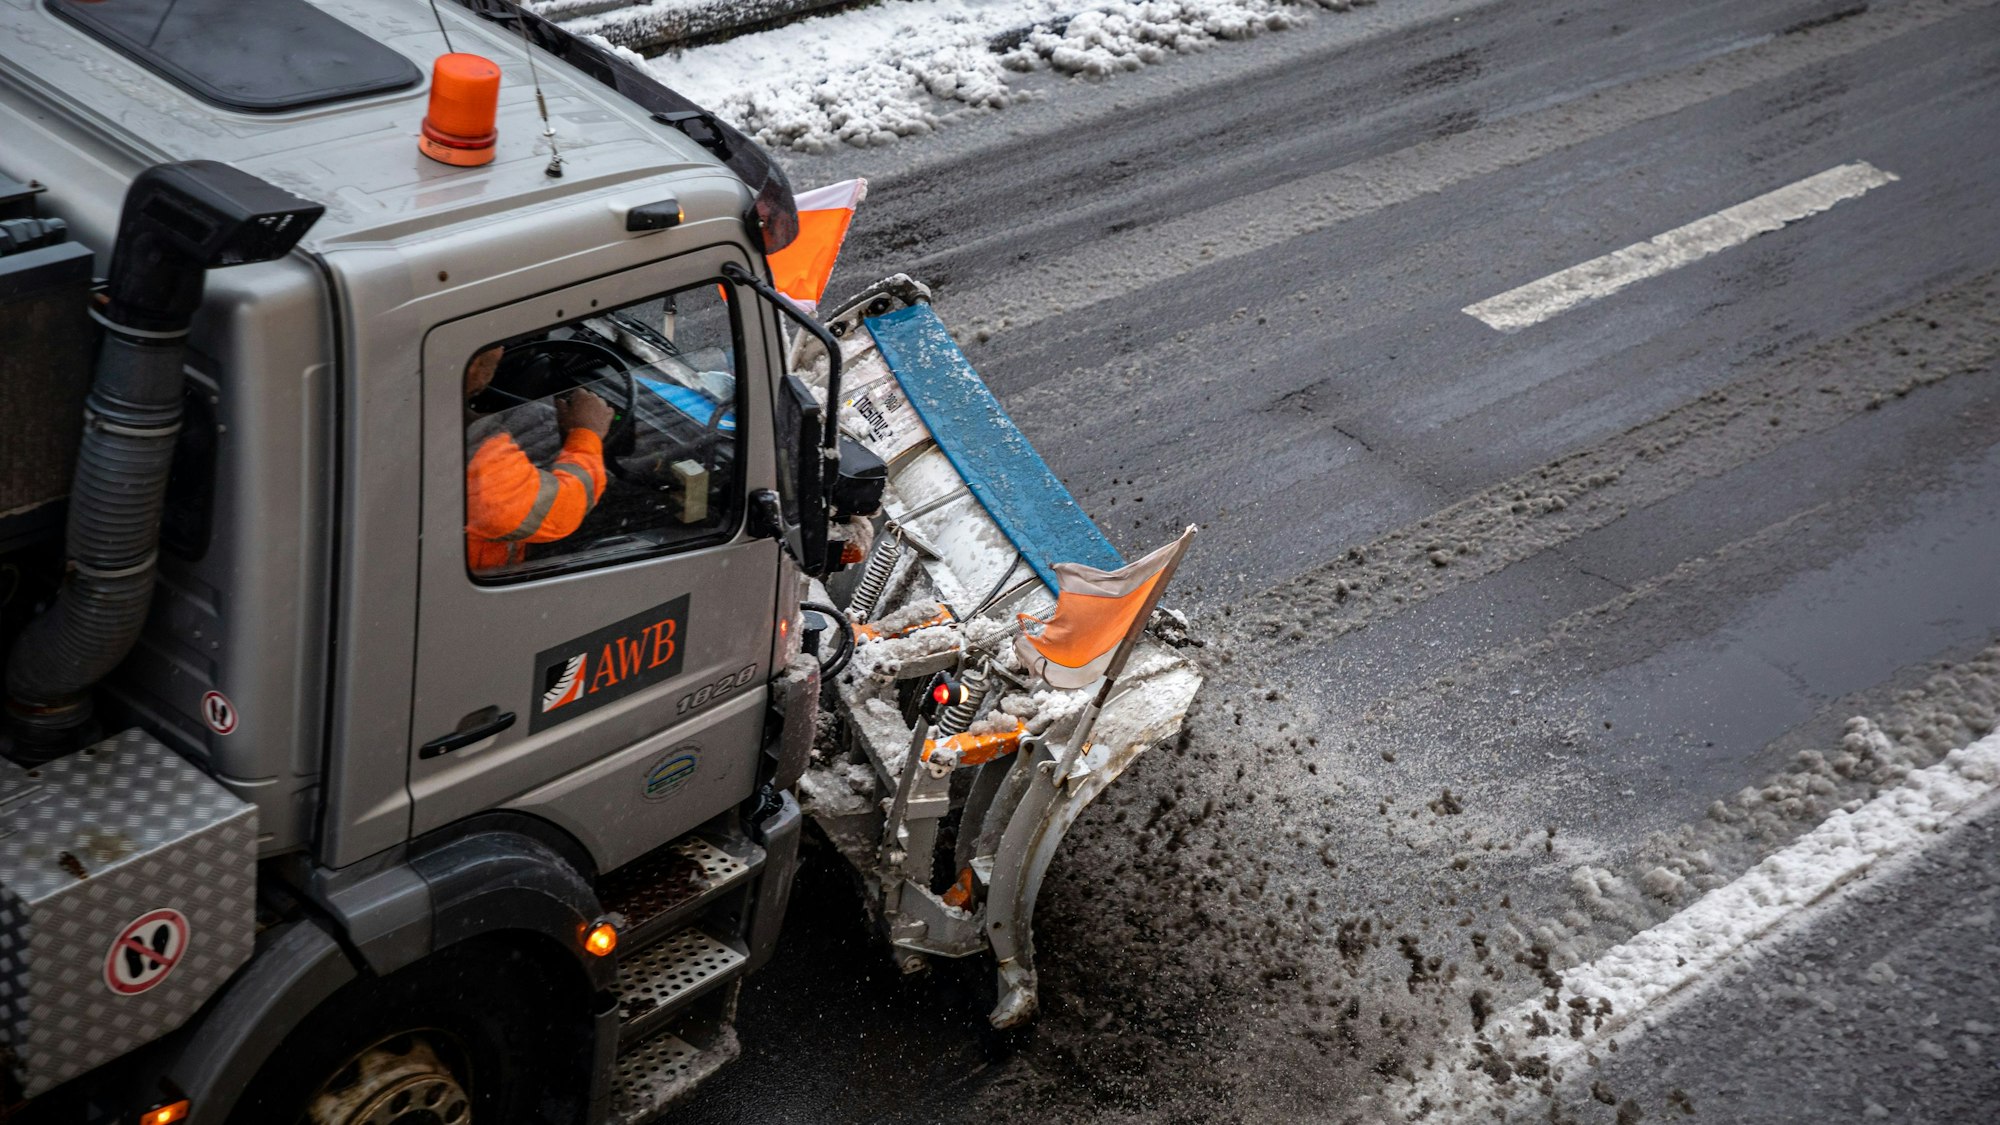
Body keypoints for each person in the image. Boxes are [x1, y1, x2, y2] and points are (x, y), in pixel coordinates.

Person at [462, 344, 614, 572]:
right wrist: (586, 433)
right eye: (497, 345)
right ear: (473, 365)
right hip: (474, 587)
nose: (502, 352)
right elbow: (559, 511)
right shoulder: (474, 450)